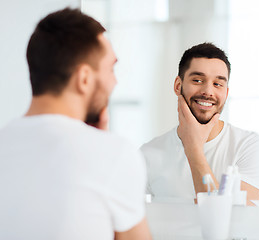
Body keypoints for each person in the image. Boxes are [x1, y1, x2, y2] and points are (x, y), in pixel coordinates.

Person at [0, 8, 152, 240]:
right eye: (111, 68)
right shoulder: (115, 154)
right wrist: (104, 147)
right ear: (84, 79)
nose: (115, 81)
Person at [141, 43, 259, 205]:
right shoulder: (148, 154)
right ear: (178, 86)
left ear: (226, 93)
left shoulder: (250, 146)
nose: (208, 91)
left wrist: (193, 149)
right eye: (197, 80)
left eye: (218, 84)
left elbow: (235, 222)